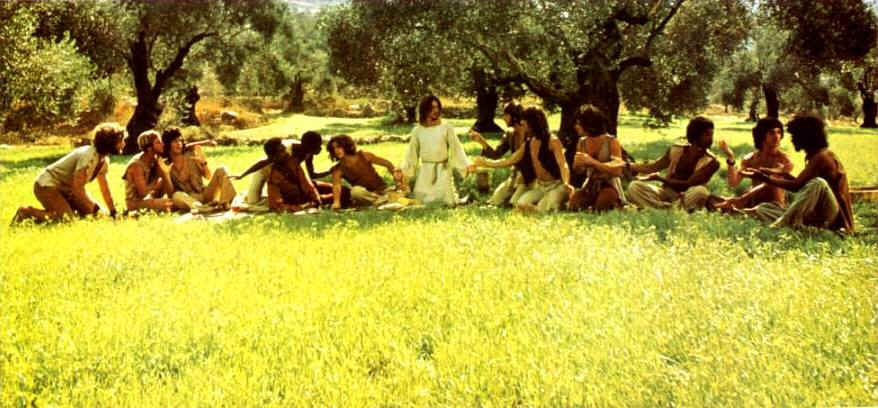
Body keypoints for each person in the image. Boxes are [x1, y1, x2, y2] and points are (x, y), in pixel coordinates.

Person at [744, 115, 854, 233]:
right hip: (818, 214)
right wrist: (781, 173)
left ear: (805, 136)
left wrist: (765, 178)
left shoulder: (822, 157)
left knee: (818, 183)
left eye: (794, 136)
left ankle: (781, 224)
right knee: (764, 208)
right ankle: (795, 224)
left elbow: (796, 186)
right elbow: (801, 183)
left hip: (834, 218)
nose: (792, 140)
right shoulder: (815, 156)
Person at [12, 123, 126, 224]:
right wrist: (95, 209)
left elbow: (104, 188)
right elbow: (78, 189)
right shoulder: (88, 156)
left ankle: (65, 209)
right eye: (121, 141)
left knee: (96, 215)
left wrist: (112, 211)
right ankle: (25, 212)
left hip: (66, 190)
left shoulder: (103, 160)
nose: (124, 144)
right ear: (110, 142)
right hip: (47, 185)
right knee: (67, 219)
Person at [471, 107, 572, 212]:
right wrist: (486, 163)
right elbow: (510, 160)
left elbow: (563, 164)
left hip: (556, 185)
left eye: (525, 120)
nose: (522, 122)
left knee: (544, 207)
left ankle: (550, 205)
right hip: (540, 187)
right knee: (520, 204)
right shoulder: (529, 142)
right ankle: (543, 206)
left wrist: (566, 183)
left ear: (533, 122)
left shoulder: (553, 140)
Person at [233, 131, 349, 208]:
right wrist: (242, 175)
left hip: (293, 181)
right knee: (253, 201)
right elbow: (263, 162)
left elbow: (310, 176)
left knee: (341, 191)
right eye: (317, 146)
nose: (320, 149)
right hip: (267, 170)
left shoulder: (305, 155)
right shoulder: (287, 152)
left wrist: (329, 172)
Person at [626, 116, 720, 211]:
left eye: (711, 135)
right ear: (696, 135)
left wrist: (660, 178)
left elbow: (688, 184)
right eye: (707, 135)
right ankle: (667, 208)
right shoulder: (676, 150)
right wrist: (628, 165)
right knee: (634, 186)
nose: (711, 139)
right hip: (665, 192)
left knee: (701, 191)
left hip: (687, 196)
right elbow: (653, 167)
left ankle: (663, 208)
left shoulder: (712, 162)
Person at [400, 95, 471, 206]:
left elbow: (456, 148)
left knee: (444, 201)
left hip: (443, 170)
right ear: (425, 110)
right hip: (425, 171)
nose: (436, 110)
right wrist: (405, 174)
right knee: (422, 200)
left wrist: (466, 166)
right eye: (432, 108)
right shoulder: (417, 130)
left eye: (437, 107)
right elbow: (411, 154)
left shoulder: (446, 127)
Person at [713, 118, 793, 212]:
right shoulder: (751, 159)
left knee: (773, 180)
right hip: (754, 201)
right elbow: (733, 183)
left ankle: (738, 203)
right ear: (762, 135)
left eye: (779, 132)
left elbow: (785, 174)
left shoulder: (784, 159)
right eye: (771, 133)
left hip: (775, 205)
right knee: (712, 198)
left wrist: (772, 171)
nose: (776, 136)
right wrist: (730, 158)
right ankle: (735, 206)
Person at [567, 105, 627, 211]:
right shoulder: (582, 142)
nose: (576, 126)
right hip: (590, 185)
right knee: (574, 206)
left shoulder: (611, 141)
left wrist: (592, 162)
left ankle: (618, 204)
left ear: (589, 124)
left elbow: (617, 171)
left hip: (609, 184)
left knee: (601, 206)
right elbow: (579, 171)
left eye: (578, 124)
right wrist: (578, 165)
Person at [161, 127, 236, 212]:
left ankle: (225, 202)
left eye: (180, 140)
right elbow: (170, 194)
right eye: (175, 141)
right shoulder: (165, 164)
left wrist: (203, 163)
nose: (179, 144)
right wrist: (166, 174)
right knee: (176, 195)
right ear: (168, 144)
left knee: (221, 169)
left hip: (205, 193)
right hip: (189, 200)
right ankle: (203, 208)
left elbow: (208, 176)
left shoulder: (191, 155)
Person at [326, 134, 409, 209]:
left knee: (405, 190)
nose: (336, 150)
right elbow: (336, 186)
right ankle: (385, 200)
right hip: (366, 195)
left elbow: (387, 164)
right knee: (355, 192)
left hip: (383, 190)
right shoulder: (337, 169)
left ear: (346, 146)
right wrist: (336, 203)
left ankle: (383, 200)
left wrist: (397, 178)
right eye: (333, 148)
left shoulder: (364, 156)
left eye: (338, 147)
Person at [468, 102, 527, 206]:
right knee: (495, 200)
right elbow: (496, 154)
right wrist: (482, 141)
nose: (503, 118)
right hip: (514, 176)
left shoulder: (530, 133)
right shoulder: (510, 134)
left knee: (512, 203)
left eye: (506, 115)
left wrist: (487, 163)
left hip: (529, 178)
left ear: (514, 116)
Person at [262, 138, 323, 213]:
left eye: (285, 149)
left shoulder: (293, 162)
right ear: (274, 157)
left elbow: (306, 184)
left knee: (334, 189)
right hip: (299, 202)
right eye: (282, 151)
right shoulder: (273, 178)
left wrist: (315, 199)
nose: (286, 153)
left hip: (308, 195)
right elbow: (277, 205)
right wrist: (301, 207)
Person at [123, 130, 176, 213]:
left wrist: (165, 174)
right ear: (149, 148)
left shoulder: (156, 159)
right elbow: (143, 193)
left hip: (151, 198)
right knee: (169, 204)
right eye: (158, 142)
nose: (163, 144)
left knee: (174, 202)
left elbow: (170, 193)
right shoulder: (136, 165)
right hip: (135, 203)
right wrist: (157, 186)